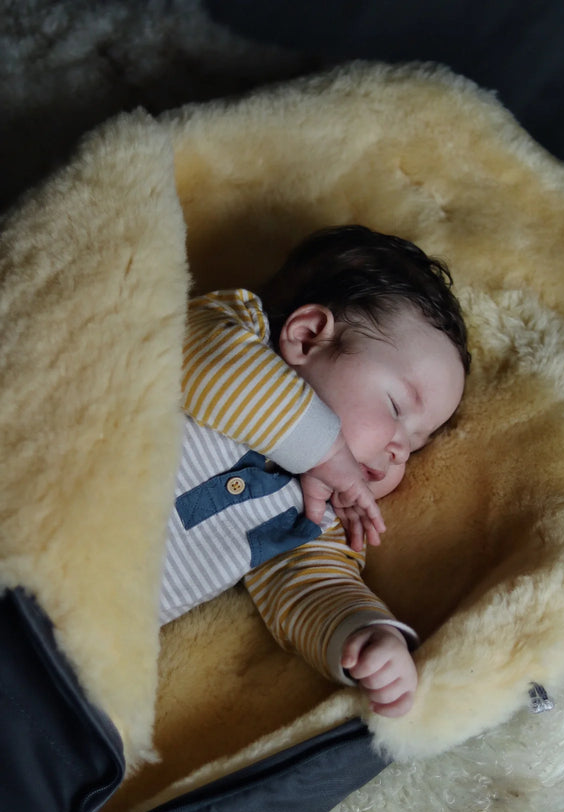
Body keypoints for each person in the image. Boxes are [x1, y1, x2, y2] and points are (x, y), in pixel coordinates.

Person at [160, 225, 470, 717]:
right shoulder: (231, 332)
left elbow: (313, 586)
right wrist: (324, 449)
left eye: (415, 444)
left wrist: (366, 635)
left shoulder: (313, 515)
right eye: (395, 407)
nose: (398, 450)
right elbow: (193, 360)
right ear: (306, 337)